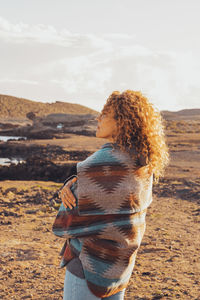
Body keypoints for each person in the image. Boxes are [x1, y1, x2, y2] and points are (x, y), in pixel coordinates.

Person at [52, 90, 169, 300]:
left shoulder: (103, 160)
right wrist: (74, 184)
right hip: (120, 266)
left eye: (105, 114)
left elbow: (68, 217)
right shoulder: (144, 163)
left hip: (88, 266)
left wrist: (69, 192)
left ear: (122, 122)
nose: (98, 119)